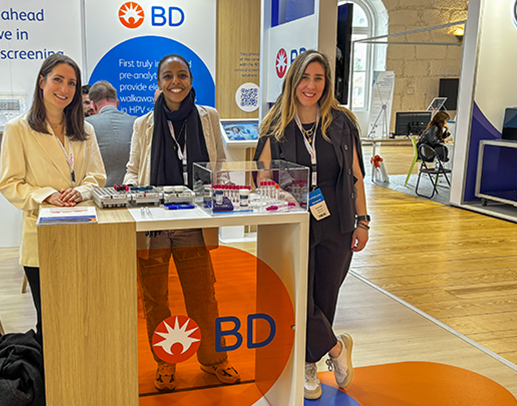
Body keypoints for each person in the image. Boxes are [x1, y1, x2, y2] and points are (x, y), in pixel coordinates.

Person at [254, 50, 369, 400]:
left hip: (338, 222)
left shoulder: (341, 122)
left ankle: (309, 362)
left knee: (324, 296)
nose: (311, 86)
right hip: (294, 223)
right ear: (293, 81)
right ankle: (335, 349)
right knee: (298, 297)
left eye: (319, 79)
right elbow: (262, 177)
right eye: (305, 78)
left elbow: (356, 175)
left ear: (327, 83)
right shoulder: (275, 123)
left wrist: (363, 221)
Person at [124, 54, 239, 392]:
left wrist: (225, 193)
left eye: (182, 75)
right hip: (154, 224)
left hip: (193, 220)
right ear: (158, 82)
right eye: (168, 76)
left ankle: (214, 360)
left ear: (191, 79)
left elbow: (220, 165)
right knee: (156, 299)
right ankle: (165, 362)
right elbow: (133, 169)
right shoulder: (143, 124)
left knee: (203, 296)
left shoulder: (208, 117)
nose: (176, 82)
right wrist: (133, 194)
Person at [0, 54, 106, 338]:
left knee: (84, 314)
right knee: (51, 319)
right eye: (58, 79)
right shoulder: (17, 129)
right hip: (42, 235)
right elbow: (10, 183)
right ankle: (49, 380)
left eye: (72, 83)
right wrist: (46, 196)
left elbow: (97, 177)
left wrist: (80, 191)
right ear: (42, 81)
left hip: (84, 232)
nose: (65, 89)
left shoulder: (86, 130)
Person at [85, 80, 135, 186]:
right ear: (117, 102)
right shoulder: (137, 123)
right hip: (132, 194)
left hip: (98, 194)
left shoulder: (86, 125)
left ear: (93, 105)